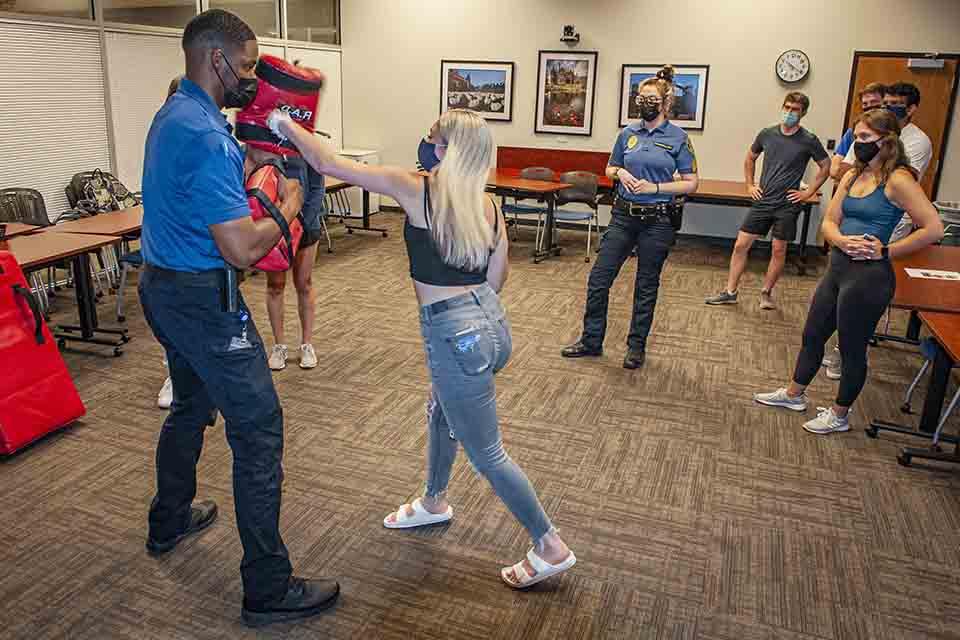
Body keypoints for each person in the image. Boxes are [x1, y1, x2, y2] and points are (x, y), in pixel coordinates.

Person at [270, 107, 577, 588]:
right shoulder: (488, 205)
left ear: (445, 150)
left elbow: (328, 164)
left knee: (488, 453)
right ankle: (434, 501)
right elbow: (497, 279)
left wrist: (282, 122)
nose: (424, 141)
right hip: (490, 327)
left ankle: (549, 544)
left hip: (455, 335)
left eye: (431, 135)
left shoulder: (416, 188)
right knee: (442, 409)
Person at [138, 9, 339, 627]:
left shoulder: (177, 114)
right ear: (215, 58)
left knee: (193, 407)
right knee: (259, 429)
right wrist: (289, 206)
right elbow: (241, 249)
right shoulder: (202, 133)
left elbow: (202, 202)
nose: (251, 78)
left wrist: (249, 180)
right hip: (204, 300)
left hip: (163, 288)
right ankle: (267, 589)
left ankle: (169, 519)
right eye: (247, 66)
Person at [753, 109, 943, 434]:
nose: (858, 144)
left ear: (887, 142)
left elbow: (934, 228)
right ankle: (794, 394)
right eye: (856, 137)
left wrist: (886, 250)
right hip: (838, 268)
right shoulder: (853, 175)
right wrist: (839, 238)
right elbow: (829, 220)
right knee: (813, 335)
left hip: (869, 277)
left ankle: (839, 415)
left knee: (852, 348)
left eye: (865, 138)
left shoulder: (898, 179)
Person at [561, 65, 699, 368]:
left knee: (646, 285)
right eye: (640, 98)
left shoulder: (678, 138)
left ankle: (636, 347)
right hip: (623, 216)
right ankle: (591, 340)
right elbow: (610, 168)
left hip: (658, 219)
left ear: (664, 103)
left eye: (650, 99)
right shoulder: (628, 134)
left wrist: (657, 186)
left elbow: (691, 182)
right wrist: (621, 172)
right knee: (599, 278)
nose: (643, 103)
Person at [824, 82, 934, 379]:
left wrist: (885, 249)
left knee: (859, 307)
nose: (888, 107)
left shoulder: (916, 143)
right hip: (851, 231)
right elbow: (839, 171)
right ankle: (839, 349)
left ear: (910, 109)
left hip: (888, 225)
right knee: (834, 307)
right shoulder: (862, 159)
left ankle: (845, 355)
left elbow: (903, 179)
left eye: (897, 104)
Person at [705, 92, 830, 310]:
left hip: (787, 204)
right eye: (788, 107)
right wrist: (750, 185)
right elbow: (750, 158)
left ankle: (766, 293)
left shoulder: (808, 140)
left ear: (803, 113)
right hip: (764, 200)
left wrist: (808, 192)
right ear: (783, 107)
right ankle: (730, 291)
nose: (790, 113)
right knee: (740, 245)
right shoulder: (767, 134)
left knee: (778, 249)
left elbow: (826, 166)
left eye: (796, 110)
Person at [157, 75, 184, 410]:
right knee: (174, 319)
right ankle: (173, 374)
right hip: (169, 248)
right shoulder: (165, 138)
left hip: (206, 251)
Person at [830, 82, 885, 181]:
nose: (869, 106)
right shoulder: (854, 132)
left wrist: (853, 169)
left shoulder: (891, 134)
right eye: (865, 104)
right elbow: (835, 171)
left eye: (874, 102)